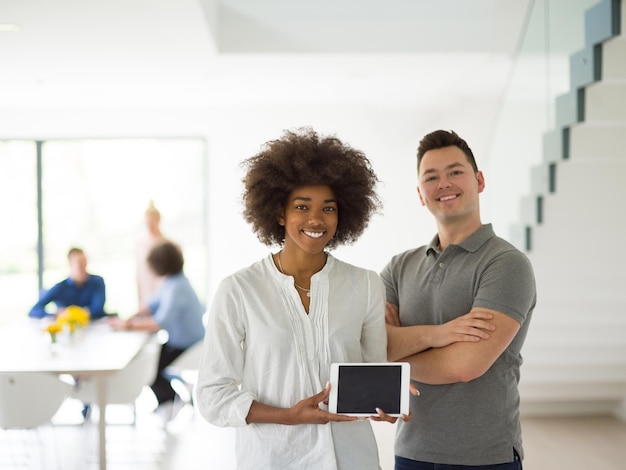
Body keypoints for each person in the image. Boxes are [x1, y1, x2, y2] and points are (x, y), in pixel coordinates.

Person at [196, 127, 414, 469]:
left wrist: (388, 398)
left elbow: (371, 370)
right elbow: (213, 395)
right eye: (302, 206)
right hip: (273, 457)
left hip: (351, 458)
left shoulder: (366, 284)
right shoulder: (239, 290)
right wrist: (288, 416)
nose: (316, 219)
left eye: (328, 208)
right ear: (279, 213)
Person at [381, 129, 536, 469]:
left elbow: (465, 365)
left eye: (455, 172)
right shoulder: (398, 267)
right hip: (411, 451)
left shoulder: (506, 264)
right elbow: (373, 342)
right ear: (421, 194)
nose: (444, 183)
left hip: (484, 456)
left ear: (479, 180)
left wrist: (394, 362)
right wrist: (439, 335)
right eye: (431, 177)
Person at [111, 240, 205, 406]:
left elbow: (159, 323)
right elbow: (150, 305)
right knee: (147, 361)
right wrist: (129, 318)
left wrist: (128, 325)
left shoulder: (177, 287)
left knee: (147, 368)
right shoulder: (172, 281)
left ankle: (169, 400)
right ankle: (168, 401)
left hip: (188, 347)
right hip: (181, 343)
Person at [28, 247, 107, 320]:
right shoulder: (60, 287)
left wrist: (69, 313)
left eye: (85, 262)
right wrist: (55, 314)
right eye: (79, 263)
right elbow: (34, 311)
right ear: (70, 265)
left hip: (94, 328)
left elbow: (97, 310)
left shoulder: (97, 282)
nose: (83, 267)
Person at [136, 200, 169, 310]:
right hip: (146, 294)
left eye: (152, 222)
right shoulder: (141, 244)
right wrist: (140, 300)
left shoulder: (167, 244)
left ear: (158, 220)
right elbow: (138, 275)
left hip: (162, 295)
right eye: (147, 222)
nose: (149, 226)